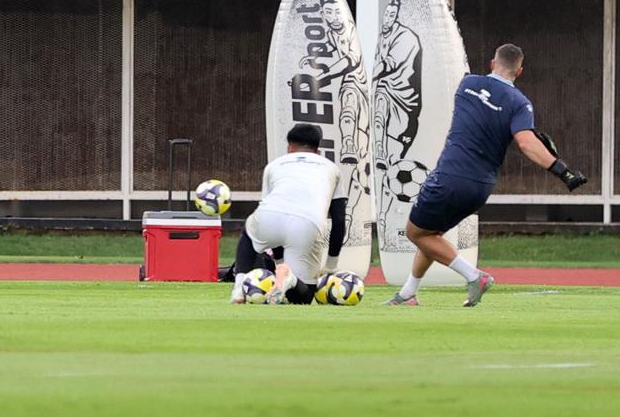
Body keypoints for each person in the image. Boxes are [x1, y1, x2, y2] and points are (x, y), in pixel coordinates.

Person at [384, 44, 587, 307]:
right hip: (481, 186)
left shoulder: (467, 84)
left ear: (493, 63)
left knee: (416, 233)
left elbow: (520, 137)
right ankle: (408, 294)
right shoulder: (520, 103)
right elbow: (526, 142)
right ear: (520, 71)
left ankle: (474, 276)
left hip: (450, 176)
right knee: (432, 234)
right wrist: (564, 172)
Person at [230, 123, 346, 305]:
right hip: (309, 223)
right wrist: (331, 265)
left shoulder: (274, 166)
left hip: (269, 216)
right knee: (303, 297)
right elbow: (339, 220)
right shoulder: (332, 168)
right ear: (318, 150)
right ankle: (290, 278)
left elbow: (274, 208)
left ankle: (239, 287)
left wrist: (279, 260)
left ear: (289, 147)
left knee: (249, 233)